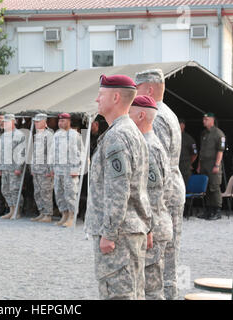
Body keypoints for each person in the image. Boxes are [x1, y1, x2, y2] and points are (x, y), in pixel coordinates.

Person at [84, 75, 152, 300]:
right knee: (134, 293)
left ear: (115, 97)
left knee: (119, 295)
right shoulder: (133, 132)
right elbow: (140, 187)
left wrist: (109, 233)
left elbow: (118, 190)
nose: (96, 99)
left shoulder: (117, 136)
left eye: (101, 95)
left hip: (120, 236)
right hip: (131, 230)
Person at [135, 69, 185, 300]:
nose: (135, 93)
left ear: (150, 89)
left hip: (165, 195)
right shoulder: (168, 113)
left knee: (162, 260)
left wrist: (152, 214)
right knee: (167, 258)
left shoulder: (159, 117)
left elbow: (157, 164)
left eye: (139, 87)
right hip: (172, 190)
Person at [129, 95, 173, 300]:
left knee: (151, 290)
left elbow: (155, 194)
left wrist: (147, 229)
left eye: (129, 112)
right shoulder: (147, 143)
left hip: (152, 229)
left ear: (140, 115)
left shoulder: (149, 147)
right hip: (154, 226)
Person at [50, 113, 83, 228]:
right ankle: (64, 214)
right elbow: (52, 152)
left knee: (70, 193)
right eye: (59, 121)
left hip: (70, 170)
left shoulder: (75, 135)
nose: (60, 123)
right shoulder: (57, 135)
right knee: (59, 193)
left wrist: (76, 169)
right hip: (58, 169)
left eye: (63, 121)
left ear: (69, 122)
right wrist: (52, 167)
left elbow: (80, 153)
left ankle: (72, 216)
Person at [0, 114, 26, 219]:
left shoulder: (19, 135)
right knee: (5, 189)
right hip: (4, 167)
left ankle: (17, 210)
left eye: (7, 122)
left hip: (14, 168)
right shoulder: (4, 135)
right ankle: (11, 209)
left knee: (15, 189)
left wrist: (18, 167)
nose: (5, 124)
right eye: (4, 122)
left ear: (13, 122)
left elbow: (22, 153)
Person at [197, 113, 226, 220]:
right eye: (203, 119)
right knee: (206, 188)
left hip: (213, 164)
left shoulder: (219, 134)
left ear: (212, 120)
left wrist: (217, 165)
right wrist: (199, 165)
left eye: (206, 119)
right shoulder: (204, 133)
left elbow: (220, 151)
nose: (203, 121)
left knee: (214, 187)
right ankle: (208, 210)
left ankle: (217, 210)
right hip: (204, 164)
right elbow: (201, 151)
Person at [30, 113, 54, 223]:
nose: (36, 123)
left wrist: (50, 170)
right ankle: (42, 212)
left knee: (46, 192)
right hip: (37, 169)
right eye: (35, 121)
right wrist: (32, 168)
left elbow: (51, 154)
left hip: (45, 170)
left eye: (38, 121)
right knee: (38, 192)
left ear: (44, 122)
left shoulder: (48, 135)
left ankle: (48, 214)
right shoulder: (37, 134)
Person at [179, 119, 198, 186]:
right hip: (175, 167)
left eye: (180, 124)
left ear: (183, 125)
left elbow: (194, 154)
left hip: (185, 167)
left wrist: (189, 163)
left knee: (185, 186)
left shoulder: (189, 139)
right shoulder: (173, 136)